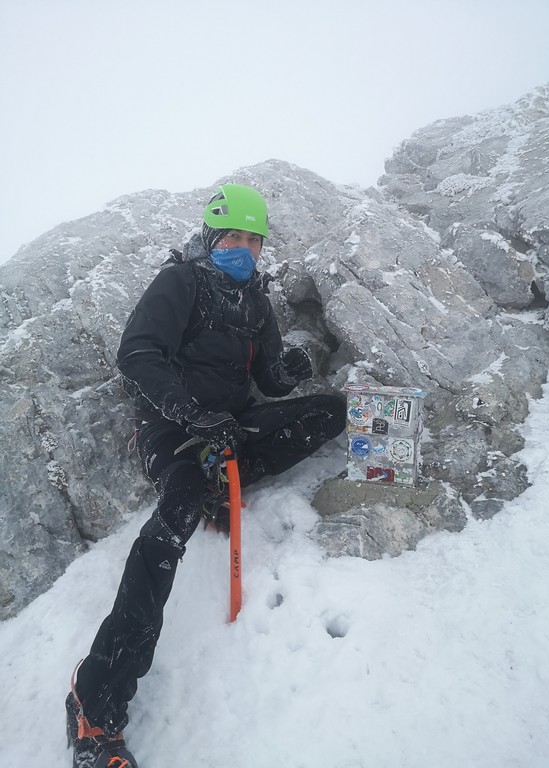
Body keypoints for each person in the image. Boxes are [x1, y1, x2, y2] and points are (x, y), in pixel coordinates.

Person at [65, 183, 346, 768]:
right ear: (212, 237)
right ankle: (96, 703)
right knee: (180, 503)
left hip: (231, 426)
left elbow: (268, 381)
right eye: (233, 237)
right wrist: (192, 416)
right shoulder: (180, 283)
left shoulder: (257, 303)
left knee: (328, 410)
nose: (243, 248)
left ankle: (224, 480)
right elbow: (138, 354)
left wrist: (289, 371)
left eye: (253, 240)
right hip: (175, 431)